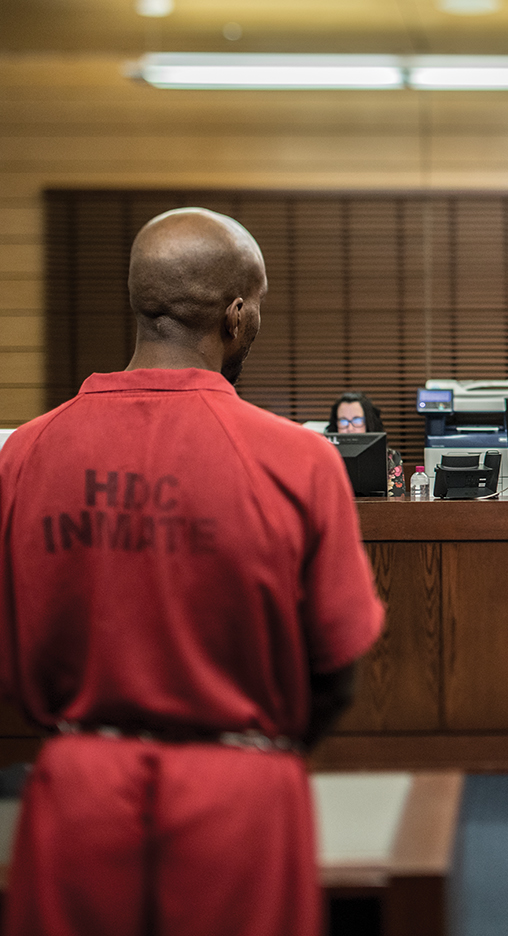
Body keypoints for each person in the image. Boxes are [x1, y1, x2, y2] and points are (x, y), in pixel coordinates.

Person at [0, 207, 385, 936]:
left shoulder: (22, 456)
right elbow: (339, 669)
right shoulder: (300, 460)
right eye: (260, 304)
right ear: (235, 315)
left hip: (76, 789)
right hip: (240, 795)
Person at [330, 390, 405, 497]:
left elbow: (397, 500)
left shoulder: (390, 458)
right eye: (343, 421)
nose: (350, 428)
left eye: (357, 421)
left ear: (368, 422)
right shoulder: (326, 456)